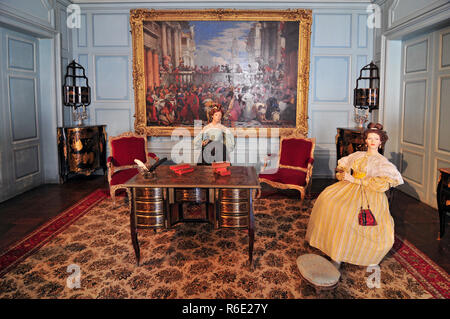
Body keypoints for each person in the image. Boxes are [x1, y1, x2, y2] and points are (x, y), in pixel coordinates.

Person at [305, 122, 404, 269]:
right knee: (327, 199)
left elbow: (380, 185)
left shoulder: (382, 162)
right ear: (365, 140)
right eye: (370, 138)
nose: (372, 142)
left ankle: (339, 255)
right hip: (350, 186)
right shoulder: (358, 155)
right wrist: (344, 175)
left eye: (376, 139)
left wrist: (356, 180)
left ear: (381, 142)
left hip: (369, 193)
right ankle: (328, 244)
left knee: (347, 212)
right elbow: (342, 168)